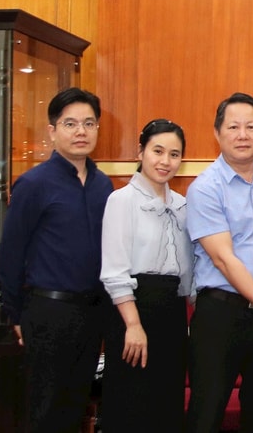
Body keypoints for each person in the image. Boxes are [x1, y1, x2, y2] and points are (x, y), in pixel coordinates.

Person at [0, 87, 113, 432]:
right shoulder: (33, 184)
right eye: (71, 124)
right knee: (45, 411)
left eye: (89, 123)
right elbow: (11, 254)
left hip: (92, 313)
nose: (81, 131)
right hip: (47, 313)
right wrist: (16, 315)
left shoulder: (103, 185)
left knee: (76, 407)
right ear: (52, 130)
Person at [186, 92, 253, 433]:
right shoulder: (204, 188)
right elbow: (223, 258)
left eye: (251, 126)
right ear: (217, 133)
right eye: (233, 126)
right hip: (221, 315)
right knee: (207, 412)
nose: (242, 134)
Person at [100, 119, 192, 431]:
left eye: (175, 154)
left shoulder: (182, 205)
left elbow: (190, 271)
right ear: (140, 151)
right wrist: (134, 325)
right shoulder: (121, 200)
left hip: (173, 315)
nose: (165, 161)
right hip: (133, 313)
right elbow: (114, 270)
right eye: (158, 151)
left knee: (166, 407)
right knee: (131, 406)